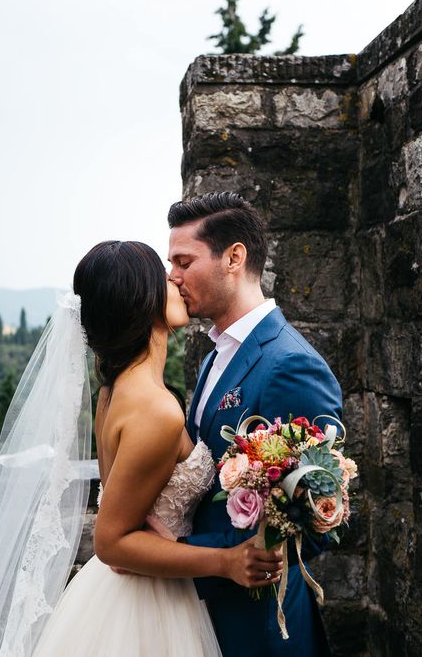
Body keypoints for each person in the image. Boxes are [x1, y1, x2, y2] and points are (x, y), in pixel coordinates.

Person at [0, 240, 283, 656]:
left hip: (120, 591)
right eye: (163, 276)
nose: (175, 280)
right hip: (147, 605)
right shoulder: (155, 410)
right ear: (143, 301)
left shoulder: (113, 390)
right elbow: (111, 542)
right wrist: (225, 562)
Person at [167, 192, 343, 657]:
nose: (173, 276)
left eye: (184, 261)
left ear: (234, 257)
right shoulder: (214, 358)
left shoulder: (290, 365)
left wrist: (179, 550)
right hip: (201, 611)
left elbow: (315, 516)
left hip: (259, 624)